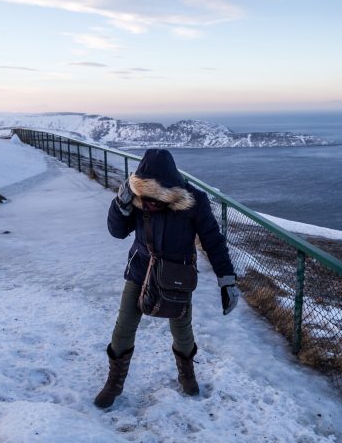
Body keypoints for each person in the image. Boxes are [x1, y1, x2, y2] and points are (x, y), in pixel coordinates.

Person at [94, 149, 240, 409]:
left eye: (155, 200)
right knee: (123, 328)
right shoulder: (136, 199)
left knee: (182, 330)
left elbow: (213, 240)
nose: (148, 204)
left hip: (177, 276)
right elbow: (117, 232)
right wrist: (120, 205)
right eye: (145, 198)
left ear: (168, 192)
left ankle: (187, 374)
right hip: (140, 269)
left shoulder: (195, 201)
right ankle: (114, 382)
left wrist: (226, 280)